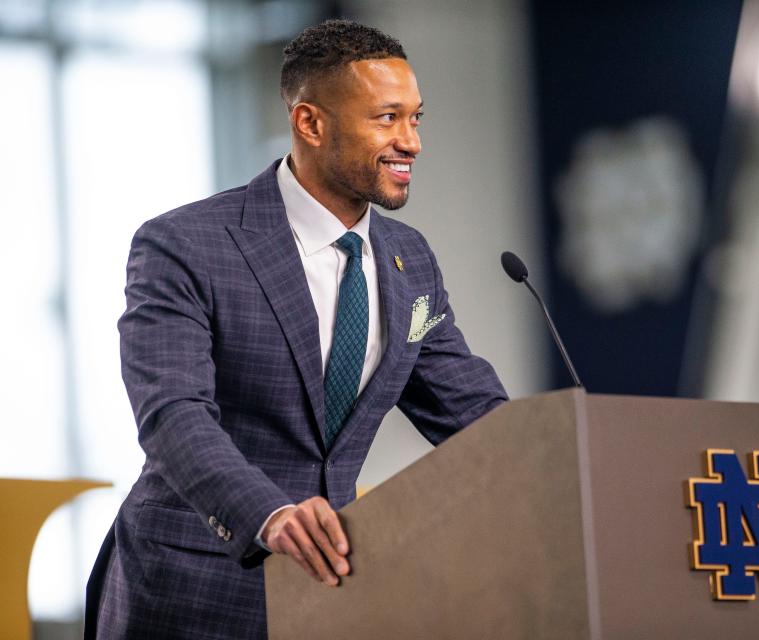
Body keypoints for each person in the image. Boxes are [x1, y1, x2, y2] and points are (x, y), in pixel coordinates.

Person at [85, 19, 507, 639]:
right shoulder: (185, 244)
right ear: (310, 122)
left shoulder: (410, 259)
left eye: (417, 118)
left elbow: (475, 415)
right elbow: (174, 417)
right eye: (387, 118)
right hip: (189, 587)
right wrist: (270, 513)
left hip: (329, 596)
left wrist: (573, 456)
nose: (411, 141)